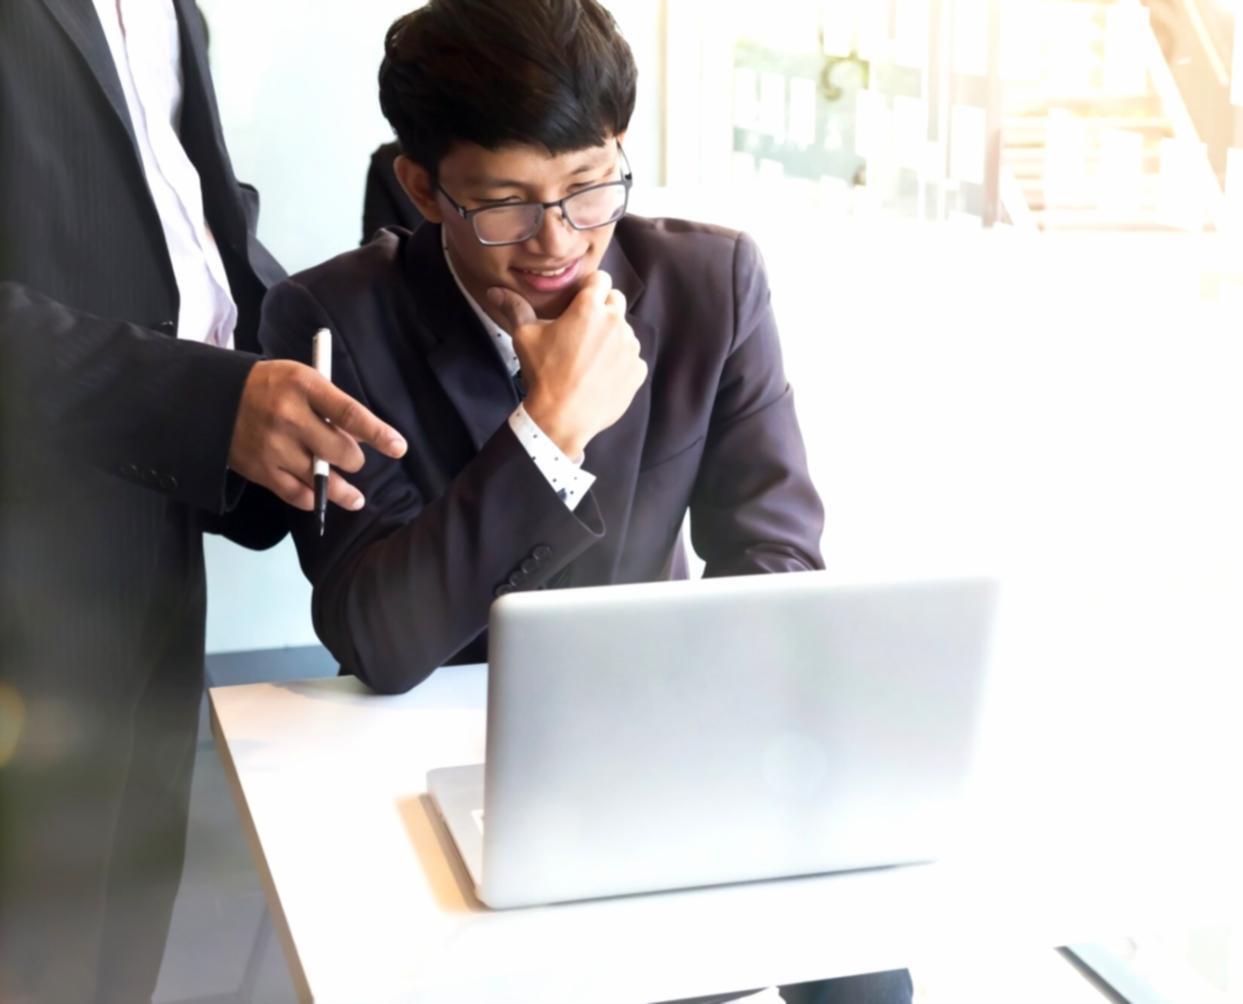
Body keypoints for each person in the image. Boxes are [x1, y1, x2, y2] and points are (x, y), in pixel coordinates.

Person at [259, 1, 911, 999]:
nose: (556, 240)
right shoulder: (331, 320)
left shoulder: (711, 283)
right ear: (424, 187)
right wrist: (547, 429)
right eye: (508, 201)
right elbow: (378, 636)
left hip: (662, 733)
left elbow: (776, 565)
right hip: (434, 769)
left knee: (861, 951)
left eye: (588, 186)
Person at [0, 1, 407, 1000]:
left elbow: (191, 229)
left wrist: (340, 351)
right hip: (21, 553)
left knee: (113, 940)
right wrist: (203, 400)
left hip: (150, 536)